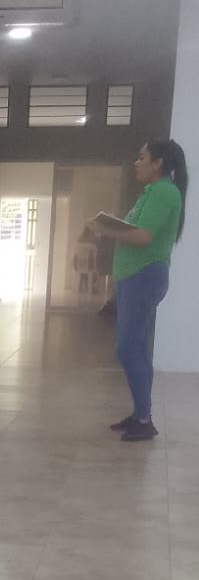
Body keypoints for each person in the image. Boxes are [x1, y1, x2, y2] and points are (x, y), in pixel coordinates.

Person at [86, 139, 188, 441]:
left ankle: (144, 418)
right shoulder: (152, 191)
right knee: (137, 347)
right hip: (135, 277)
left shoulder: (163, 191)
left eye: (142, 157)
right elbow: (135, 230)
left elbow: (143, 237)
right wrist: (110, 228)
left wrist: (105, 230)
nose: (136, 162)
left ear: (158, 162)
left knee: (128, 347)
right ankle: (140, 414)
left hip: (143, 277)